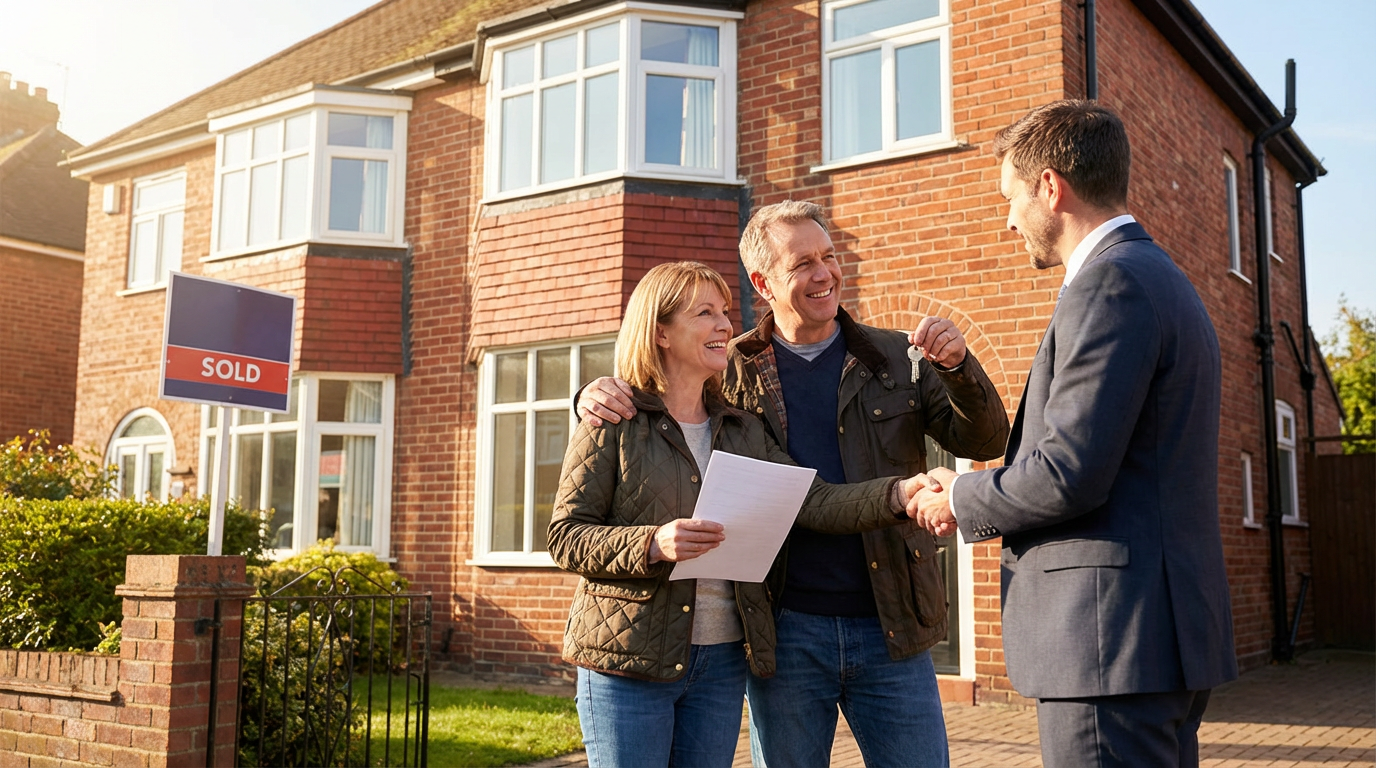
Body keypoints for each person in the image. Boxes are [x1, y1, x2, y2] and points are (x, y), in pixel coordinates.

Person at [578, 203, 1010, 768]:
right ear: (762, 283)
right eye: (803, 262)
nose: (825, 273)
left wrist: (957, 367)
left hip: (893, 621)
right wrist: (590, 395)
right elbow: (655, 398)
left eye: (829, 257)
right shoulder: (726, 369)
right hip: (783, 629)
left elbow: (985, 440)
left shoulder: (896, 358)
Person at [911, 100, 1238, 767]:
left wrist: (960, 495)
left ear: (1051, 188)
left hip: (1108, 644)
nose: (1008, 219)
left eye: (1011, 197)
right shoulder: (1163, 278)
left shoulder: (1109, 284)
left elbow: (1069, 470)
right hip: (1154, 639)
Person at [549, 261, 934, 768]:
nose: (725, 327)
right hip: (628, 662)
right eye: (704, 313)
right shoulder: (613, 422)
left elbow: (812, 500)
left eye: (725, 313)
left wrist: (901, 494)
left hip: (721, 661)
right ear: (660, 331)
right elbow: (565, 537)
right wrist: (652, 543)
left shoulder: (742, 429)